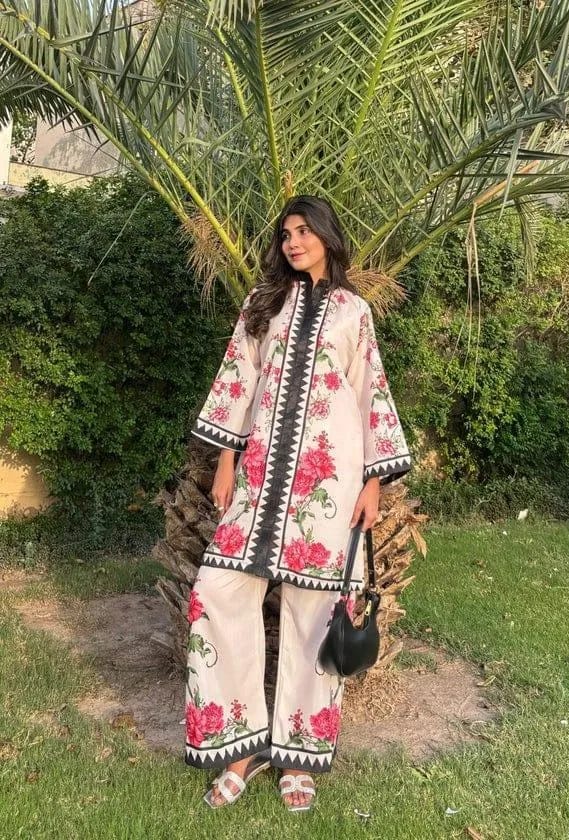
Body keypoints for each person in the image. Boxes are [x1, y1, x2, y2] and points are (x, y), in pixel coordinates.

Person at [184, 195, 411, 811]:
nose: (293, 242)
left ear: (327, 238)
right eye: (286, 233)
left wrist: (372, 482)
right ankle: (238, 744)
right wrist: (226, 460)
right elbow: (238, 377)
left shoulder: (354, 312)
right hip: (257, 481)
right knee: (216, 591)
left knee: (316, 614)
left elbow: (369, 393)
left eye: (305, 231)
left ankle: (297, 756)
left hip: (328, 487)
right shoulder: (263, 303)